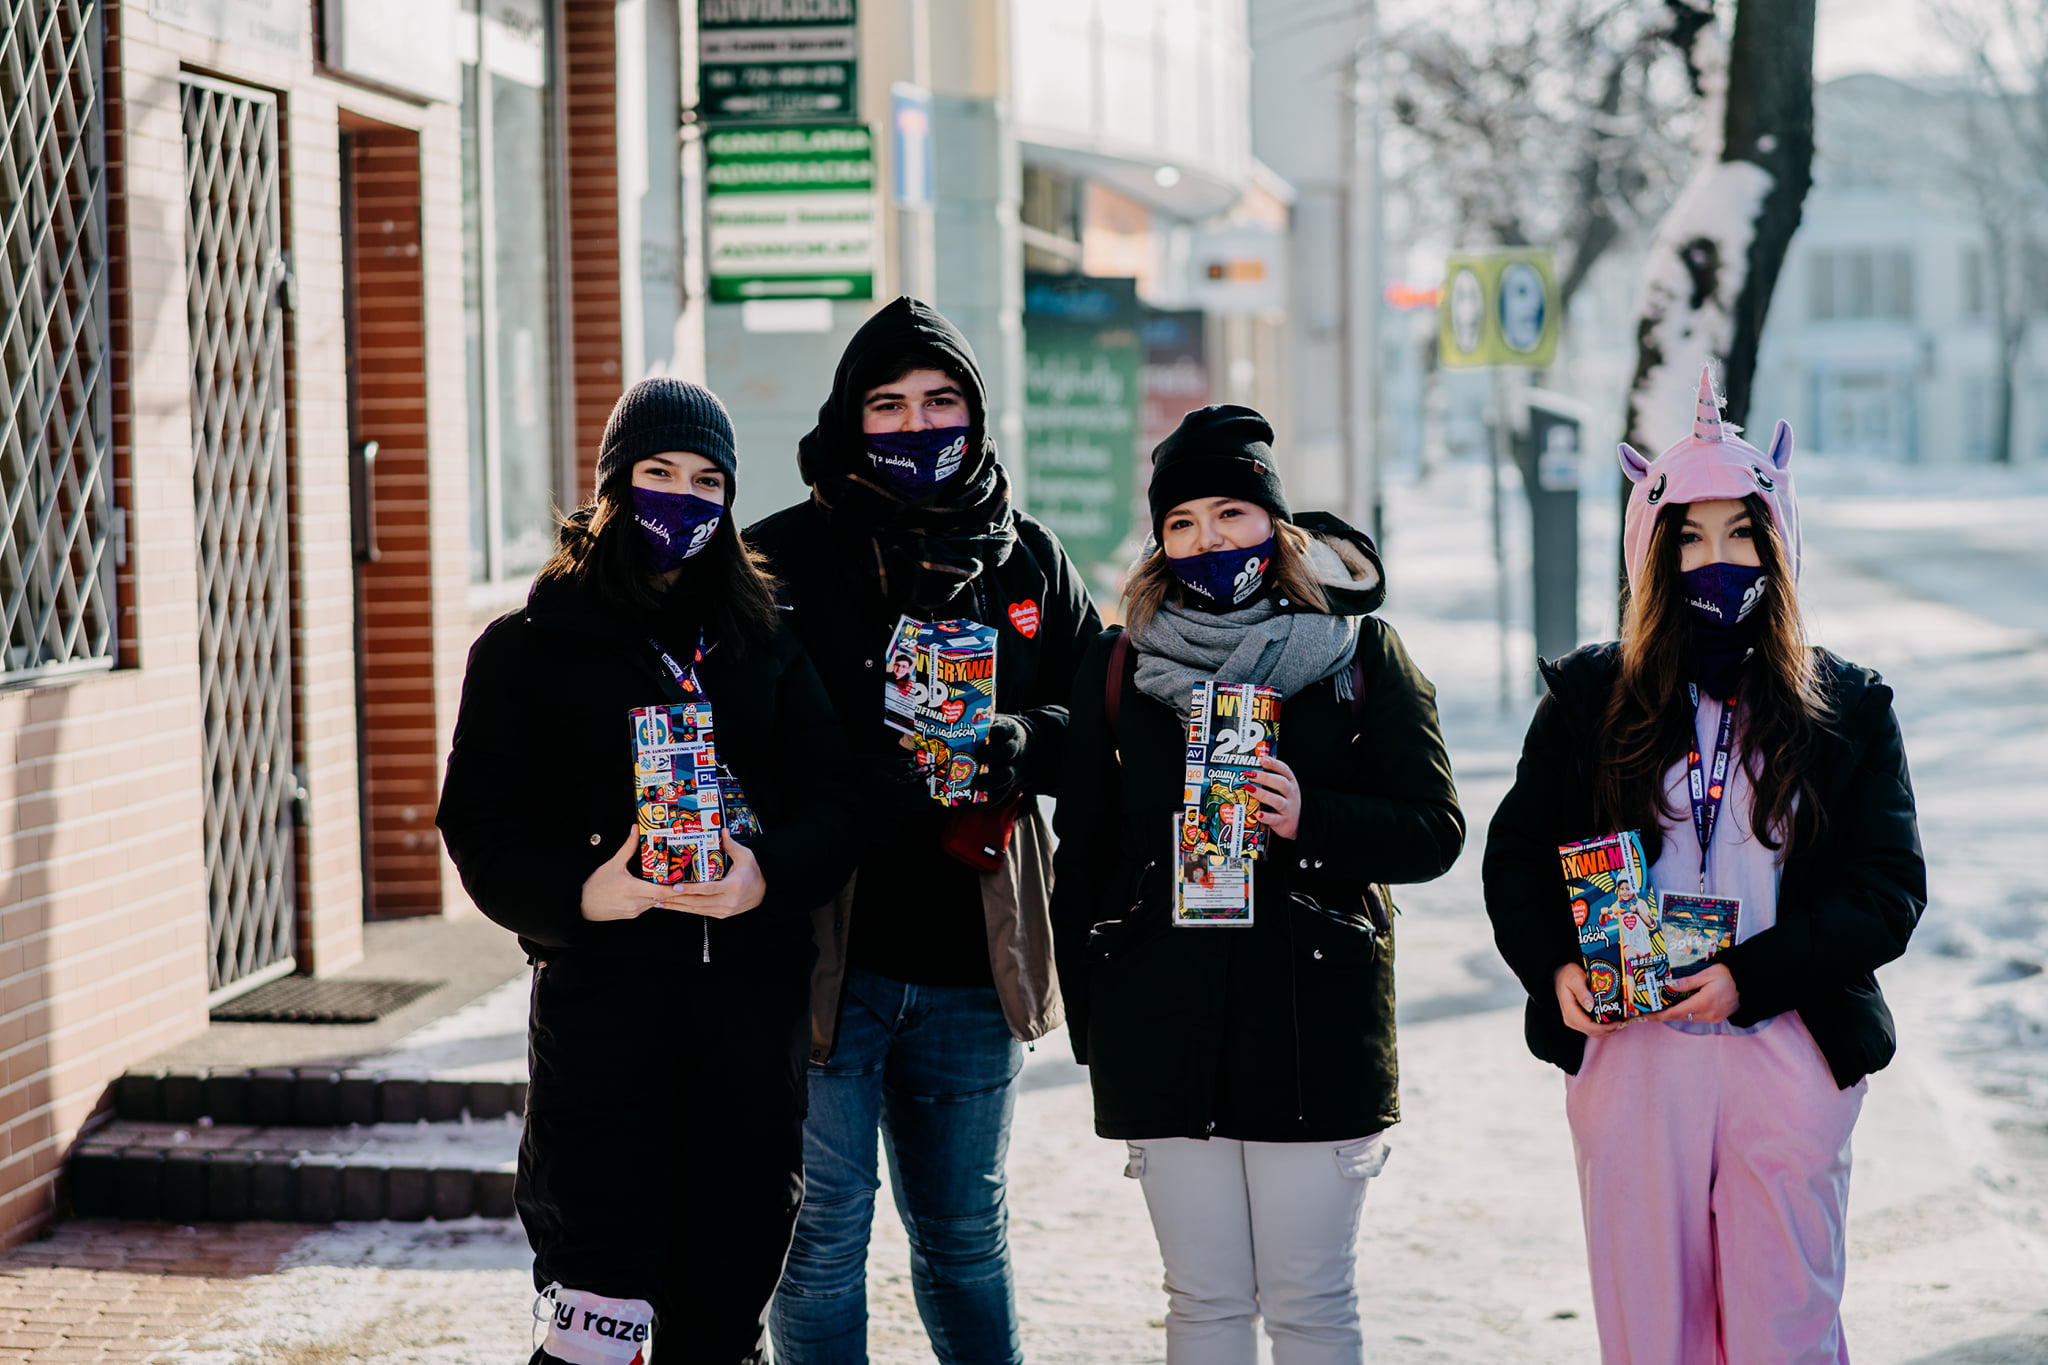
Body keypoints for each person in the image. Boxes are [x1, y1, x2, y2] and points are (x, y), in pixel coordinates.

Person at [1482, 369, 1926, 1363]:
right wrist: (1554, 969)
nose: (1712, 560)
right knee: (1651, 1330)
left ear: (1778, 543)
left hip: (1786, 1045)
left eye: (1738, 533)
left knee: (1784, 1328)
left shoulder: (1843, 707)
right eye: (1686, 535)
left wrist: (1749, 979)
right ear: (1649, 548)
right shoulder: (1591, 698)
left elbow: (1885, 890)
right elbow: (1513, 856)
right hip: (1632, 1050)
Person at [436, 379, 863, 1365]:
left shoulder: (763, 643)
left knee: (718, 1321)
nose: (682, 497)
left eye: (706, 479)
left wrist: (761, 876)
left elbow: (835, 801)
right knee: (597, 1323)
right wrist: (586, 895)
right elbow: (479, 826)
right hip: (602, 1024)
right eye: (657, 473)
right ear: (610, 487)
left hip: (746, 1031)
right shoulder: (526, 648)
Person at [1050, 404, 1465, 1364]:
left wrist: (1311, 815)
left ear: (1276, 525)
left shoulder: (1360, 656)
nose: (1209, 539)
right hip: (1163, 1025)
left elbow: (1435, 831)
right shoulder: (1118, 665)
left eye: (1231, 513)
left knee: (1310, 1302)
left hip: (1312, 1019)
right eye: (1182, 522)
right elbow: (1086, 853)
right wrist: (1097, 1021)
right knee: (1201, 1302)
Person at [750, 298, 1101, 1365]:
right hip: (819, 964)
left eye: (941, 401)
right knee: (817, 1239)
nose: (917, 425)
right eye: (888, 404)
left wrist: (1020, 740)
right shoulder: (777, 560)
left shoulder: (1026, 558)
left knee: (962, 1239)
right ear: (850, 420)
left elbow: (1098, 721)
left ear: (977, 414)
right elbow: (727, 732)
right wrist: (853, 778)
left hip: (967, 962)